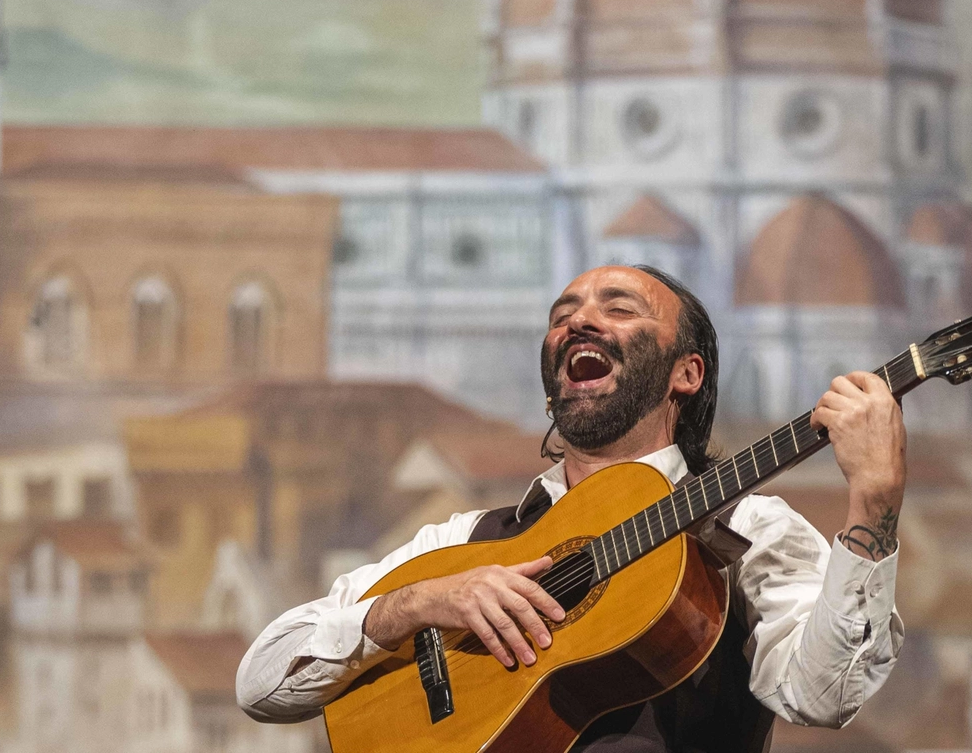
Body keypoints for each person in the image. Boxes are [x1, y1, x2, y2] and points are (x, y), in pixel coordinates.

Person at [236, 265, 906, 750]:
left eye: (618, 307)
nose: (578, 320)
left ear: (686, 372)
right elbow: (263, 682)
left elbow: (826, 695)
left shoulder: (748, 530)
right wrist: (415, 604)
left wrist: (873, 505)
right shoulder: (466, 540)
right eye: (563, 314)